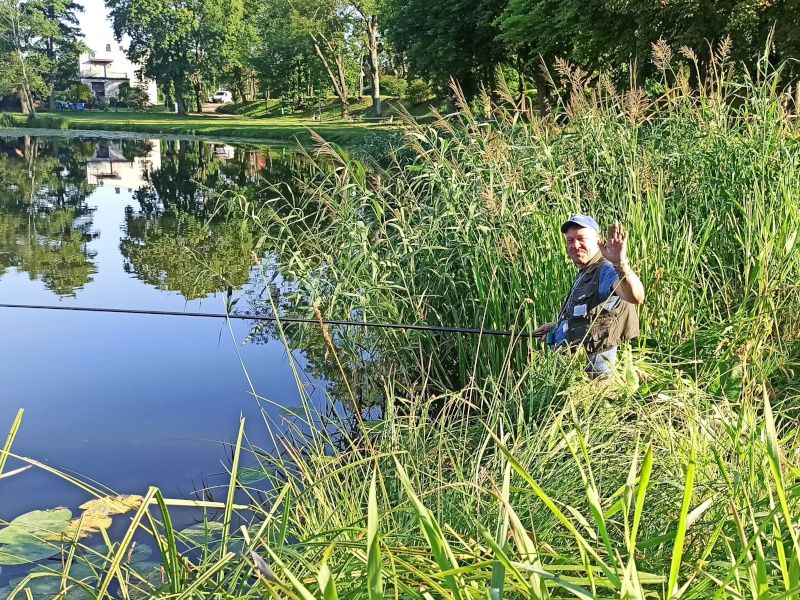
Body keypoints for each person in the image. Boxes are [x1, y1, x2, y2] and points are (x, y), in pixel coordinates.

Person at [533, 214, 645, 377]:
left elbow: (636, 297)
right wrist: (556, 327)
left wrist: (621, 264)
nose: (575, 245)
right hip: (581, 375)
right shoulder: (587, 271)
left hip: (600, 377)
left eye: (581, 239)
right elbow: (590, 315)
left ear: (598, 241)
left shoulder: (606, 269)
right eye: (570, 240)